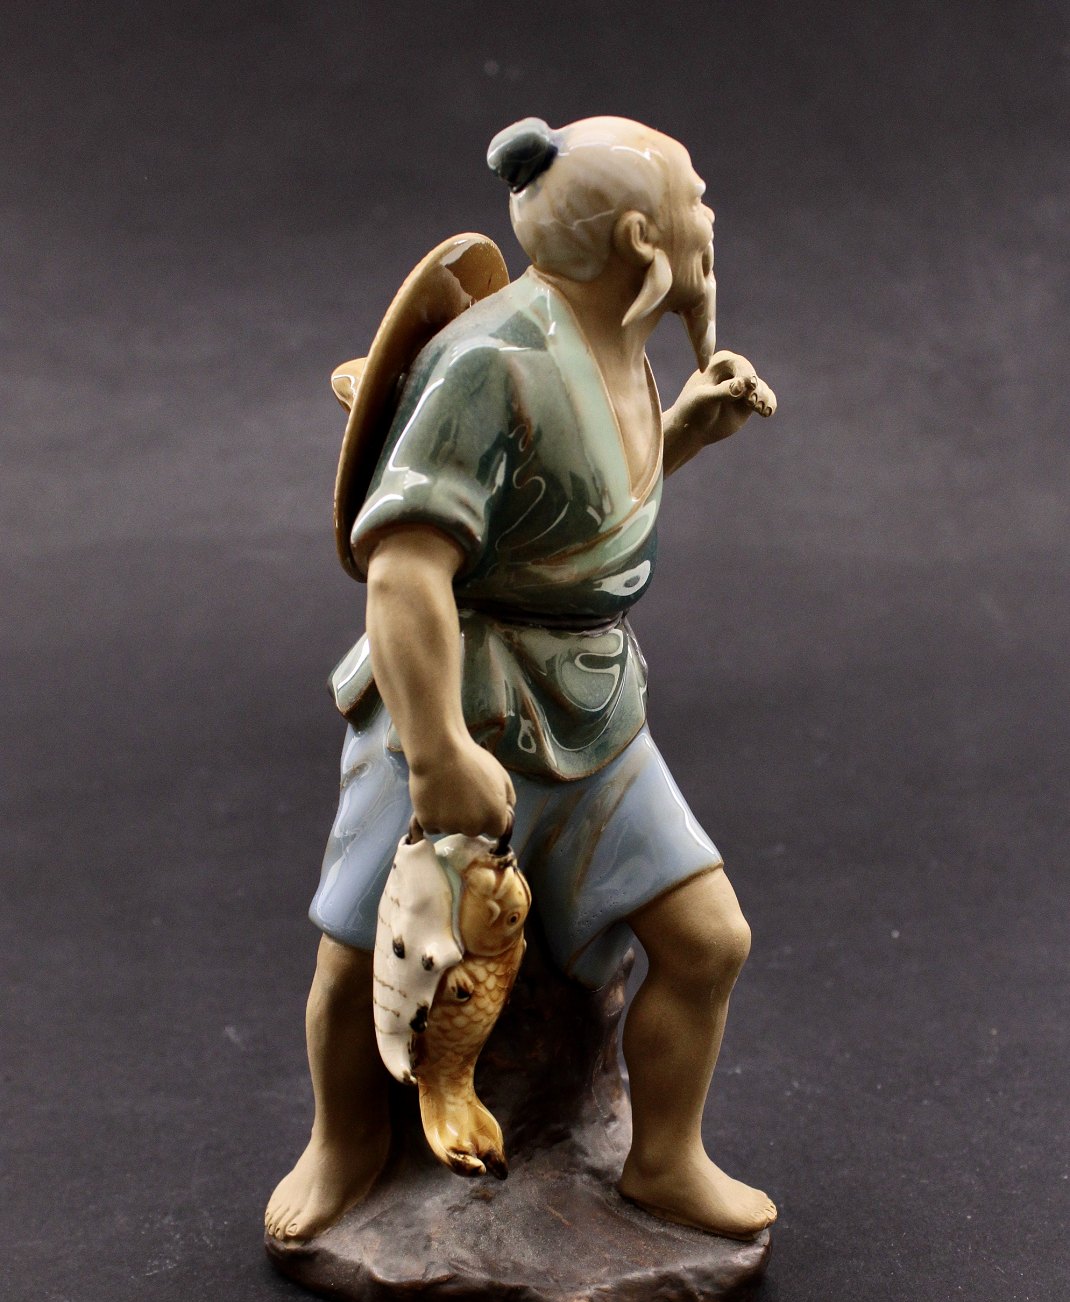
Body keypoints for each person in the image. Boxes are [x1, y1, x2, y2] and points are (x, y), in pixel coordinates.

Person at [266, 116, 779, 1244]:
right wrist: (437, 752)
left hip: (593, 700)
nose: (710, 222)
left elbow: (566, 517)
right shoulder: (490, 359)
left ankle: (664, 1160)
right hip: (457, 691)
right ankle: (343, 1143)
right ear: (640, 239)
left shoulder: (619, 339)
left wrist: (681, 435)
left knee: (709, 941)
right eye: (696, 200)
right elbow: (405, 569)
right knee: (358, 949)